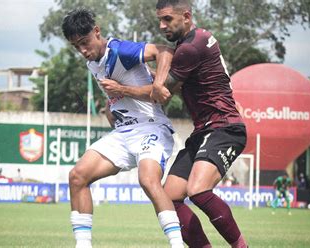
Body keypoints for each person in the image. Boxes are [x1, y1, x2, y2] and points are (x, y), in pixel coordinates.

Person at [61, 9, 183, 248]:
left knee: (148, 180)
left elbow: (165, 50)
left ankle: (177, 244)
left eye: (85, 42)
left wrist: (157, 84)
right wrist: (113, 108)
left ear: (97, 32)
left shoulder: (118, 50)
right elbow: (116, 98)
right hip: (124, 133)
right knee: (77, 177)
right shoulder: (92, 63)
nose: (83, 50)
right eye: (76, 46)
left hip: (151, 128)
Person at [149, 1, 248, 247]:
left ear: (186, 16)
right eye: (160, 20)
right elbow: (168, 83)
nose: (162, 26)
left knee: (198, 189)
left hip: (224, 128)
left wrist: (121, 84)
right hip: (204, 131)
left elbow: (161, 91)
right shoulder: (194, 41)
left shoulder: (190, 48)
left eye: (167, 19)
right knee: (169, 198)